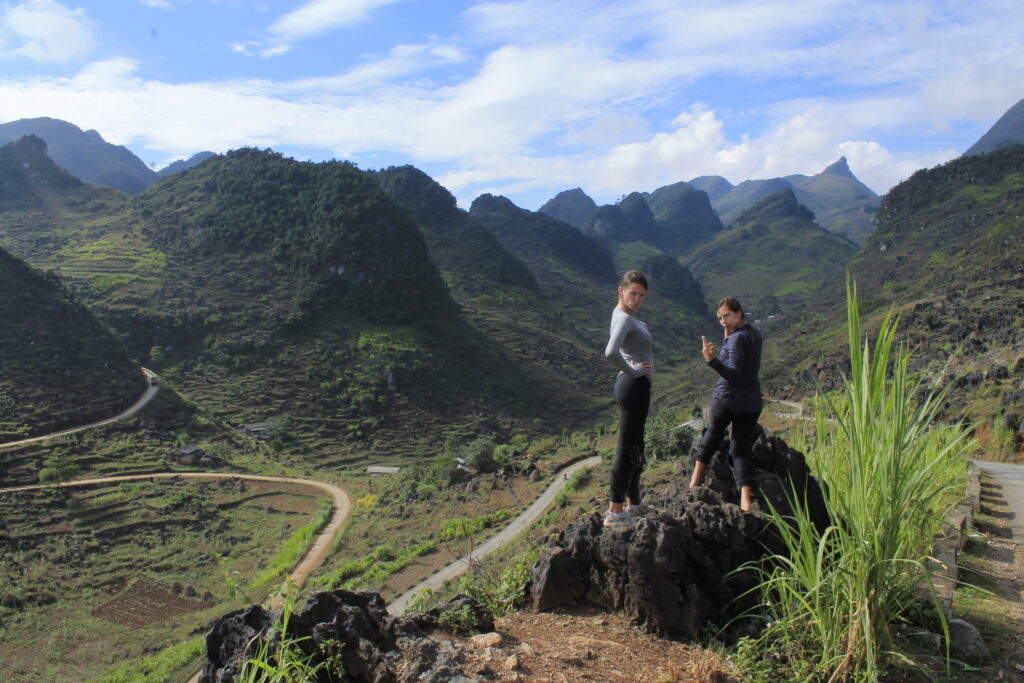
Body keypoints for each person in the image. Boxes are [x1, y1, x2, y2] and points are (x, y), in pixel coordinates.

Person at [689, 296, 763, 512]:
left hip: (728, 398)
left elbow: (734, 375)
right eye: (720, 318)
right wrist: (726, 338)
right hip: (751, 403)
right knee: (739, 450)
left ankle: (693, 484)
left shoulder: (737, 339)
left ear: (739, 313)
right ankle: (746, 502)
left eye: (727, 316)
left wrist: (711, 360)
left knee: (711, 435)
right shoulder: (754, 333)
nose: (723, 321)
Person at [603, 270, 654, 528]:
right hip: (633, 386)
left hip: (634, 387)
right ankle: (615, 511)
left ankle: (634, 502)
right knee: (627, 448)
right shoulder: (624, 318)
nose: (637, 299)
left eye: (642, 295)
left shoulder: (621, 314)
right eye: (633, 293)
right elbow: (611, 351)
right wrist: (634, 371)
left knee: (636, 446)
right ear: (620, 290)